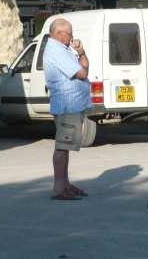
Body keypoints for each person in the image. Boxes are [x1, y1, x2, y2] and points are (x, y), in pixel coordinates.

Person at [43, 18, 91, 200]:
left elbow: (84, 66)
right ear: (59, 34)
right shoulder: (56, 50)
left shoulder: (64, 49)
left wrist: (81, 52)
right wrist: (82, 61)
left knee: (66, 146)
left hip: (72, 105)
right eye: (70, 34)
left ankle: (65, 184)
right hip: (67, 106)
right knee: (62, 147)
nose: (72, 37)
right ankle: (59, 188)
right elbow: (82, 72)